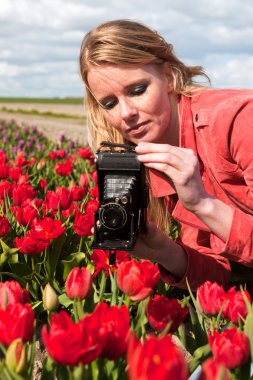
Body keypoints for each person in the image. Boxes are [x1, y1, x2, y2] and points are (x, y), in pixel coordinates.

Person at [79, 19, 253, 291]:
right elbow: (217, 278)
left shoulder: (239, 121)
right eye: (110, 103)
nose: (126, 114)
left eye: (137, 90)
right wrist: (163, 251)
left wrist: (202, 204)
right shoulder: (154, 160)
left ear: (170, 77)